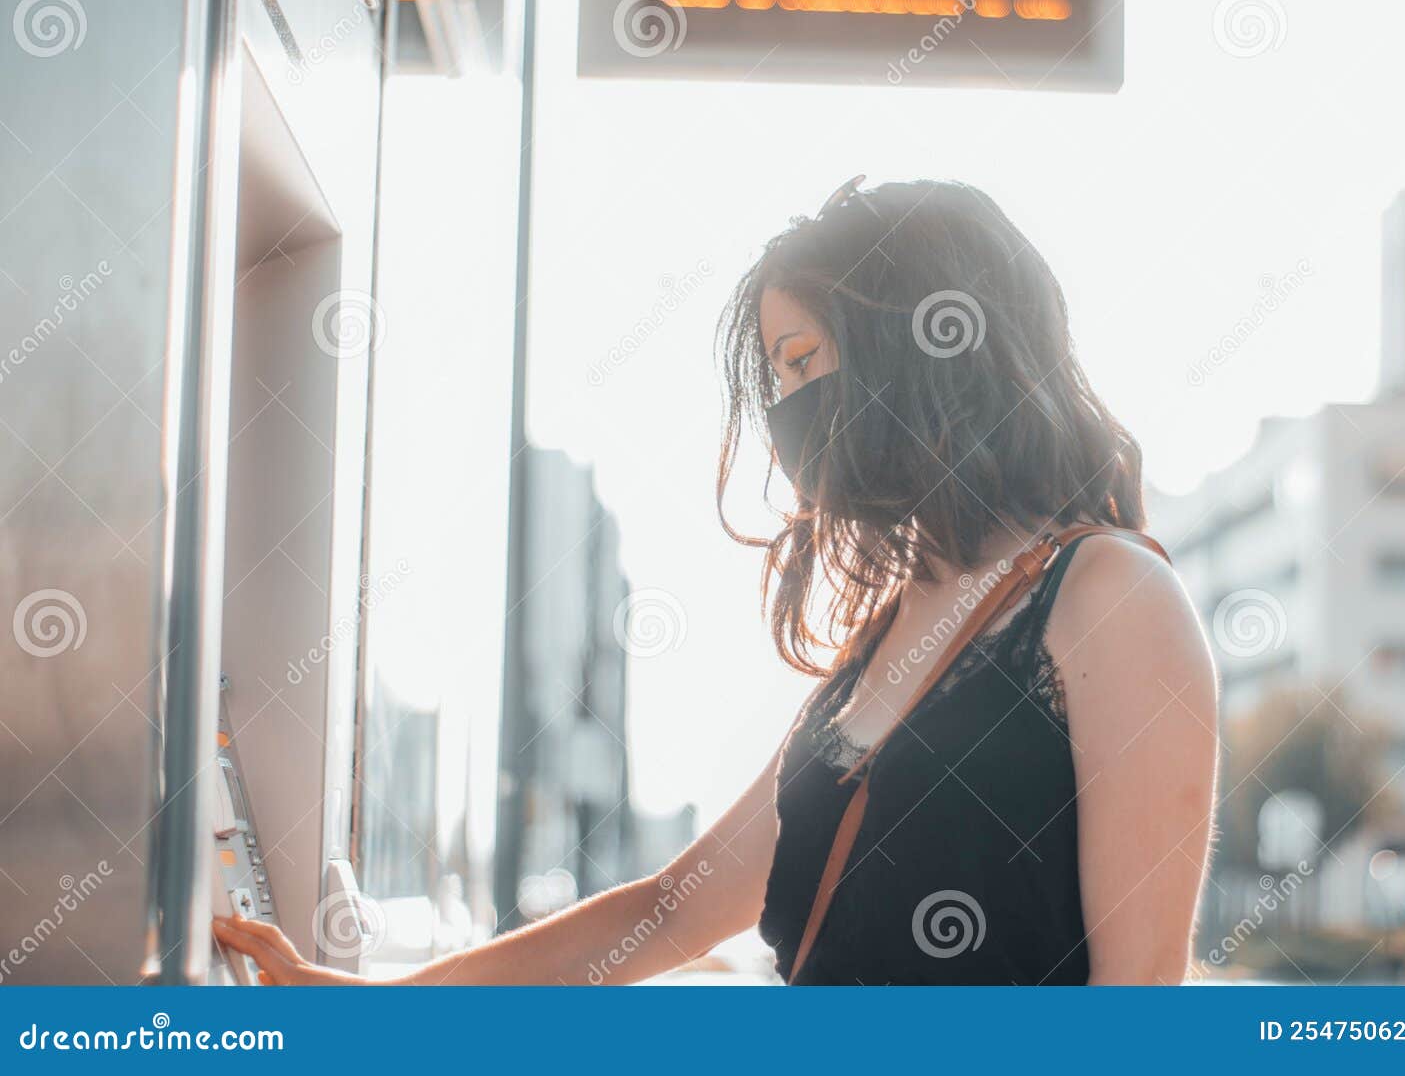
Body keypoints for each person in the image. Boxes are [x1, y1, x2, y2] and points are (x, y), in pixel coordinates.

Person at [214, 178, 1218, 986]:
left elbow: (1137, 997)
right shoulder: (899, 621)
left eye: (801, 363)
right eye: (775, 377)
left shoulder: (1109, 597)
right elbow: (677, 906)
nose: (787, 409)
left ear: (922, 357)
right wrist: (386, 1012)